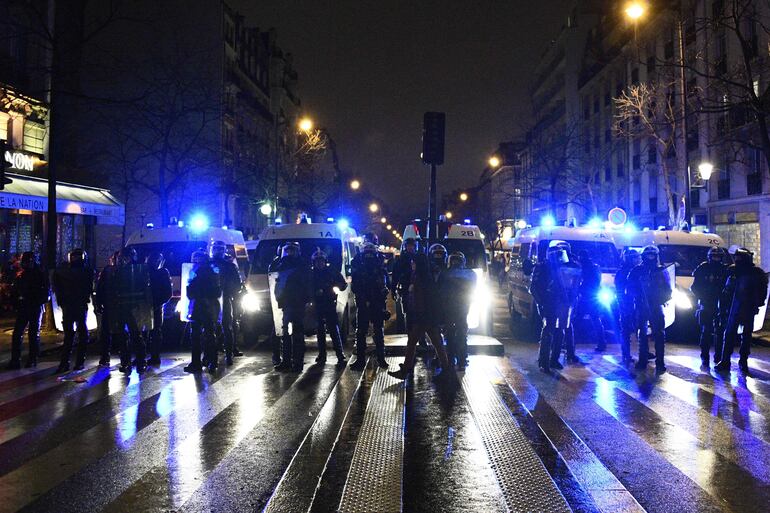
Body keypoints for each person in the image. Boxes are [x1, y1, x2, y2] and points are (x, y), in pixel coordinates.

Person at [388, 248, 452, 380]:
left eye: (414, 262)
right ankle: (446, 369)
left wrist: (418, 315)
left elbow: (421, 300)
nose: (412, 264)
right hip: (427, 316)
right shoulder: (425, 277)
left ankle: (406, 370)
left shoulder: (420, 279)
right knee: (435, 342)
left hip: (423, 317)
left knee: (414, 342)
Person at [529, 240, 582, 372]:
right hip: (548, 303)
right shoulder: (542, 267)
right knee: (548, 331)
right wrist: (542, 302)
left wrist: (571, 299)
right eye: (557, 254)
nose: (559, 257)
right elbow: (534, 288)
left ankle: (554, 359)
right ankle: (544, 361)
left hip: (562, 303)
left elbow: (573, 282)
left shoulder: (565, 267)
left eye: (561, 254)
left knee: (561, 331)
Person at [715, 248, 768, 373]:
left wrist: (758, 303)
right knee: (729, 335)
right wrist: (723, 307)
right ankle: (725, 360)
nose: (738, 260)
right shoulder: (732, 270)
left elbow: (762, 290)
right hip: (734, 307)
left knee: (746, 336)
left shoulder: (756, 273)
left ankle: (743, 361)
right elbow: (725, 290)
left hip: (748, 307)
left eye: (740, 258)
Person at [627, 245, 672, 374]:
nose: (651, 257)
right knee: (642, 333)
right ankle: (642, 360)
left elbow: (668, 289)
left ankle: (660, 362)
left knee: (659, 334)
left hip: (656, 306)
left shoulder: (661, 270)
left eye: (653, 255)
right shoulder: (637, 270)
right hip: (641, 306)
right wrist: (637, 297)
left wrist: (660, 299)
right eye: (648, 255)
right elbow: (629, 288)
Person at [110, 247, 153, 374]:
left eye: (127, 257)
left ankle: (141, 362)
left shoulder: (139, 270)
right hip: (121, 307)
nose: (124, 259)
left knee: (137, 336)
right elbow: (113, 288)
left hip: (135, 307)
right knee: (122, 337)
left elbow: (145, 288)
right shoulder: (117, 270)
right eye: (123, 257)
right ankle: (125, 362)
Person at [269, 242, 311, 372]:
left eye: (293, 250)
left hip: (297, 303)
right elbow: (274, 278)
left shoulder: (302, 264)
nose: (290, 253)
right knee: (285, 333)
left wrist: (306, 300)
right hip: (285, 303)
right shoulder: (281, 264)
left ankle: (297, 362)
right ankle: (286, 361)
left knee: (297, 333)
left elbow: (307, 284)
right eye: (288, 250)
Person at [53, 249, 94, 373]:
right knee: (81, 334)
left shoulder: (62, 271)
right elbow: (89, 287)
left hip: (69, 306)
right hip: (78, 305)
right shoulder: (86, 271)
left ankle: (66, 363)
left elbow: (57, 288)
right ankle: (78, 362)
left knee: (70, 335)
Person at [6, 252, 49, 369]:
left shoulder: (39, 274)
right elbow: (16, 290)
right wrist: (15, 302)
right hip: (25, 306)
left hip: (34, 306)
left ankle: (32, 359)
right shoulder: (23, 274)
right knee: (19, 333)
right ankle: (17, 360)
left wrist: (37, 301)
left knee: (32, 333)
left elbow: (45, 292)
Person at [351, 242, 390, 371]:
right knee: (361, 332)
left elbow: (384, 281)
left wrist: (383, 291)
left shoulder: (378, 264)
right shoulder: (359, 264)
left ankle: (381, 358)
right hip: (364, 301)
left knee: (378, 331)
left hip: (376, 301)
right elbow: (355, 284)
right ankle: (362, 360)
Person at [184, 250, 222, 373]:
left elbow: (190, 292)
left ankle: (196, 363)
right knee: (210, 335)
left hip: (198, 307)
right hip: (210, 307)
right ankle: (212, 361)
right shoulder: (213, 272)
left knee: (196, 336)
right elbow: (217, 292)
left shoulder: (195, 273)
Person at [691, 247, 729, 368]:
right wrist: (703, 296)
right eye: (714, 256)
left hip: (721, 305)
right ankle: (704, 356)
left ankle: (718, 357)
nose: (716, 259)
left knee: (720, 332)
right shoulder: (703, 268)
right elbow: (694, 287)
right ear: (710, 257)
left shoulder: (725, 270)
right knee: (706, 331)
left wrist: (725, 298)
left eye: (718, 256)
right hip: (706, 303)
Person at [439, 251, 476, 369]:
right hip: (462, 308)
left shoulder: (445, 274)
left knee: (450, 335)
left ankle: (451, 359)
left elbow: (441, 293)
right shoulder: (470, 274)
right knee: (461, 334)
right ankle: (462, 359)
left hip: (450, 309)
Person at [311, 249, 348, 365]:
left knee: (334, 330)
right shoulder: (311, 274)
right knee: (320, 331)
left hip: (330, 304)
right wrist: (314, 293)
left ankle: (340, 355)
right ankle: (322, 355)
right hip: (318, 306)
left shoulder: (331, 272)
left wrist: (336, 287)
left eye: (321, 261)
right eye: (317, 261)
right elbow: (306, 287)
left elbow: (343, 284)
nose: (319, 263)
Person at [210, 241, 243, 366]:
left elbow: (237, 285)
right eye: (216, 249)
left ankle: (229, 355)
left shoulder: (230, 266)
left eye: (220, 249)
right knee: (210, 329)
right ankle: (210, 356)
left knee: (226, 327)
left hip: (225, 300)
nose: (217, 251)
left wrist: (228, 293)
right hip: (211, 300)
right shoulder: (208, 264)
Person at [575, 249, 607, 352]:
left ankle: (569, 343)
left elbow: (580, 281)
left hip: (585, 297)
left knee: (576, 320)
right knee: (596, 320)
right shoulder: (595, 266)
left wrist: (578, 291)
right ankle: (602, 343)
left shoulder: (582, 266)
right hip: (595, 296)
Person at [144, 252, 172, 366]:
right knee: (143, 332)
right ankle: (142, 356)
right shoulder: (144, 272)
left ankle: (155, 357)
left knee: (155, 332)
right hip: (145, 306)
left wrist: (158, 303)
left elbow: (167, 293)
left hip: (155, 306)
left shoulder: (162, 273)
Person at [615, 249, 641, 365]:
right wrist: (624, 306)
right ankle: (626, 354)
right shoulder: (622, 272)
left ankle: (643, 352)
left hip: (637, 304)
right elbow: (620, 290)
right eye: (634, 257)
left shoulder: (637, 270)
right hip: (626, 304)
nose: (637, 259)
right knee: (626, 330)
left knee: (641, 329)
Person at [94, 251, 120, 366]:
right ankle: (105, 356)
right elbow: (100, 288)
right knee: (106, 332)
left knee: (122, 333)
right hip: (110, 304)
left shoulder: (126, 270)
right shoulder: (107, 271)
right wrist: (99, 303)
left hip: (121, 305)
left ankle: (124, 357)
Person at [391, 238, 420, 332]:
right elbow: (396, 275)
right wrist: (393, 289)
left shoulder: (419, 258)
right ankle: (410, 337)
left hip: (419, 289)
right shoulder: (401, 260)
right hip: (406, 289)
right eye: (408, 246)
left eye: (411, 246)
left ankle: (421, 339)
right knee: (408, 313)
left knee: (419, 313)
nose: (410, 248)